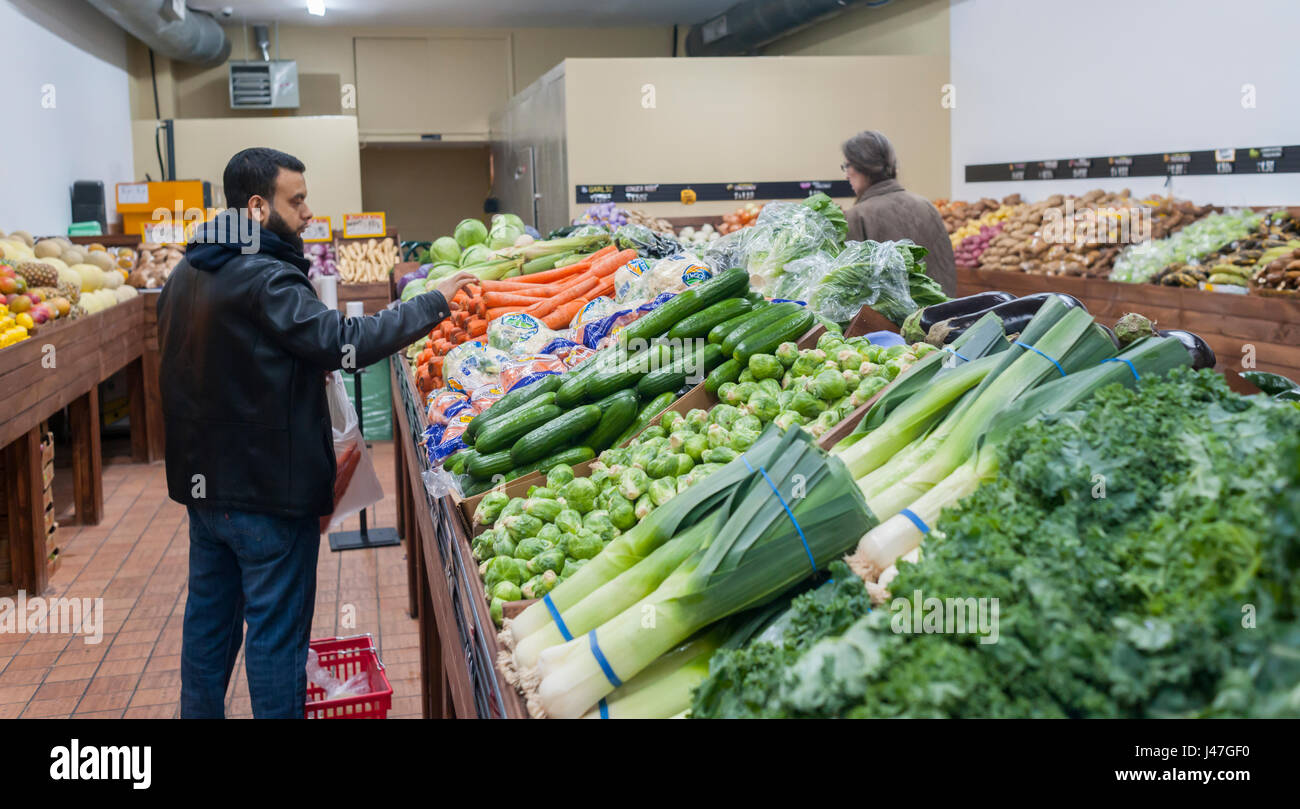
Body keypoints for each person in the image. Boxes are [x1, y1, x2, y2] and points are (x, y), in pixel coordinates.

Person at [158, 147, 473, 719]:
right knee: (277, 638)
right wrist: (433, 302)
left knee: (209, 631)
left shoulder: (187, 273)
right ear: (256, 208)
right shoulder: (264, 277)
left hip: (206, 492)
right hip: (266, 496)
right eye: (295, 200)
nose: (307, 213)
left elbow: (211, 365)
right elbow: (342, 341)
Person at [840, 130, 957, 296]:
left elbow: (853, 288)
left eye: (847, 166)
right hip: (940, 316)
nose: (846, 175)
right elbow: (945, 270)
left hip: (896, 321)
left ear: (862, 166)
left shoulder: (857, 217)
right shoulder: (926, 206)